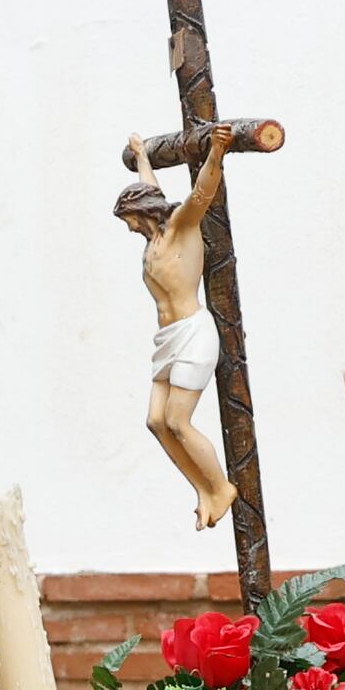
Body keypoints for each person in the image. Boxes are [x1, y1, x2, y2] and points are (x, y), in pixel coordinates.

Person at [117, 140, 238, 526]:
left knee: (177, 421)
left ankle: (221, 487)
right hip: (167, 339)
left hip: (193, 334)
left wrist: (216, 153)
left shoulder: (182, 228)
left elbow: (202, 192)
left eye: (130, 219)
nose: (130, 226)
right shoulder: (152, 242)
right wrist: (142, 159)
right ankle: (202, 489)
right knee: (155, 421)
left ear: (142, 212)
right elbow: (151, 188)